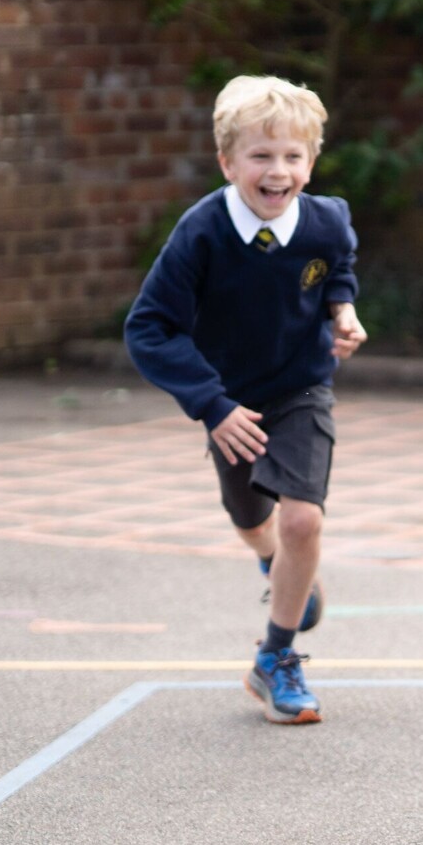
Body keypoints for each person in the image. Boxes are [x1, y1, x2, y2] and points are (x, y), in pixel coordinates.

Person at [125, 75, 365, 725]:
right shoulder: (201, 234)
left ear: (310, 163)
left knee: (303, 522)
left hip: (301, 388)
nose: (278, 170)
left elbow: (338, 261)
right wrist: (211, 405)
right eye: (261, 156)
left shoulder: (326, 219)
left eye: (292, 156)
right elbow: (147, 327)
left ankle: (275, 659)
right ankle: (269, 560)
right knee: (254, 522)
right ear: (228, 162)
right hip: (229, 403)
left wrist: (342, 310)